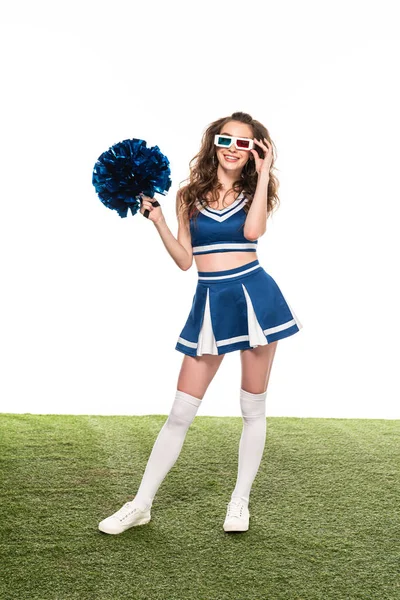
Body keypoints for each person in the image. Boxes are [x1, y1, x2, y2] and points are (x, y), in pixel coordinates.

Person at [98, 111, 303, 535]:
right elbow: (185, 261)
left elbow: (253, 232)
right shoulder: (188, 195)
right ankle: (141, 504)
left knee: (252, 407)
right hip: (210, 302)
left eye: (243, 143)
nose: (232, 148)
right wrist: (157, 222)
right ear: (214, 142)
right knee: (180, 412)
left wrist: (263, 175)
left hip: (255, 300)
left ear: (255, 151)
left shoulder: (255, 193)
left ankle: (239, 501)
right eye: (226, 139)